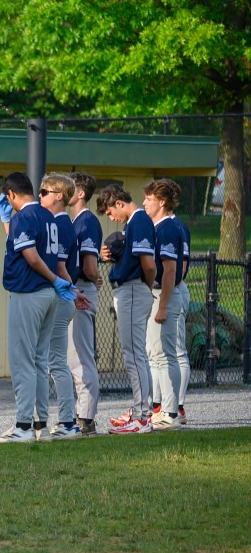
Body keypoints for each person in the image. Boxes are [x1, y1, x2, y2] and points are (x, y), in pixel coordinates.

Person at [0, 172, 76, 444]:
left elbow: (32, 257)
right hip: (48, 295)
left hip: (29, 292)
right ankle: (40, 425)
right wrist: (55, 282)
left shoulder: (23, 217)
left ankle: (23, 426)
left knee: (23, 360)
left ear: (11, 195)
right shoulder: (48, 216)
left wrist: (54, 279)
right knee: (38, 361)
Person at [97, 184, 157, 435]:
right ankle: (141, 412)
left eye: (111, 212)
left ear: (119, 203)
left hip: (133, 289)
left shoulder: (139, 219)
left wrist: (146, 285)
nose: (111, 217)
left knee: (133, 355)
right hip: (132, 289)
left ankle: (142, 417)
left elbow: (149, 265)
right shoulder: (134, 222)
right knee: (136, 354)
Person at [37, 174, 82, 439]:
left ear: (58, 196)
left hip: (61, 297)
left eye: (44, 192)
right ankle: (64, 420)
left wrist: (72, 291)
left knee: (55, 361)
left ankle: (67, 421)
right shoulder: (55, 223)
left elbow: (61, 267)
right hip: (62, 295)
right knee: (52, 361)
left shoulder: (61, 224)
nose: (39, 196)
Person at [142, 179, 185, 431]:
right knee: (156, 356)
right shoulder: (156, 227)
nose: (144, 202)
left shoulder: (167, 228)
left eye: (149, 198)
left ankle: (171, 413)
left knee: (166, 356)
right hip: (157, 295)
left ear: (161, 202)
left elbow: (170, 271)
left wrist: (163, 305)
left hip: (163, 295)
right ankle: (162, 411)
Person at [66, 171, 103, 435]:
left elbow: (89, 267)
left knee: (80, 357)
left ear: (81, 193)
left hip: (82, 288)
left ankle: (86, 418)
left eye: (71, 187)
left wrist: (95, 276)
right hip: (74, 289)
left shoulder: (87, 221)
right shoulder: (75, 221)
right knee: (72, 357)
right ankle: (79, 414)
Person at [173, 208, 191, 424]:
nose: (145, 202)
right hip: (162, 290)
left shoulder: (177, 225)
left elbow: (181, 268)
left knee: (177, 350)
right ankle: (160, 405)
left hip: (175, 289)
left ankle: (178, 406)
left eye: (150, 198)